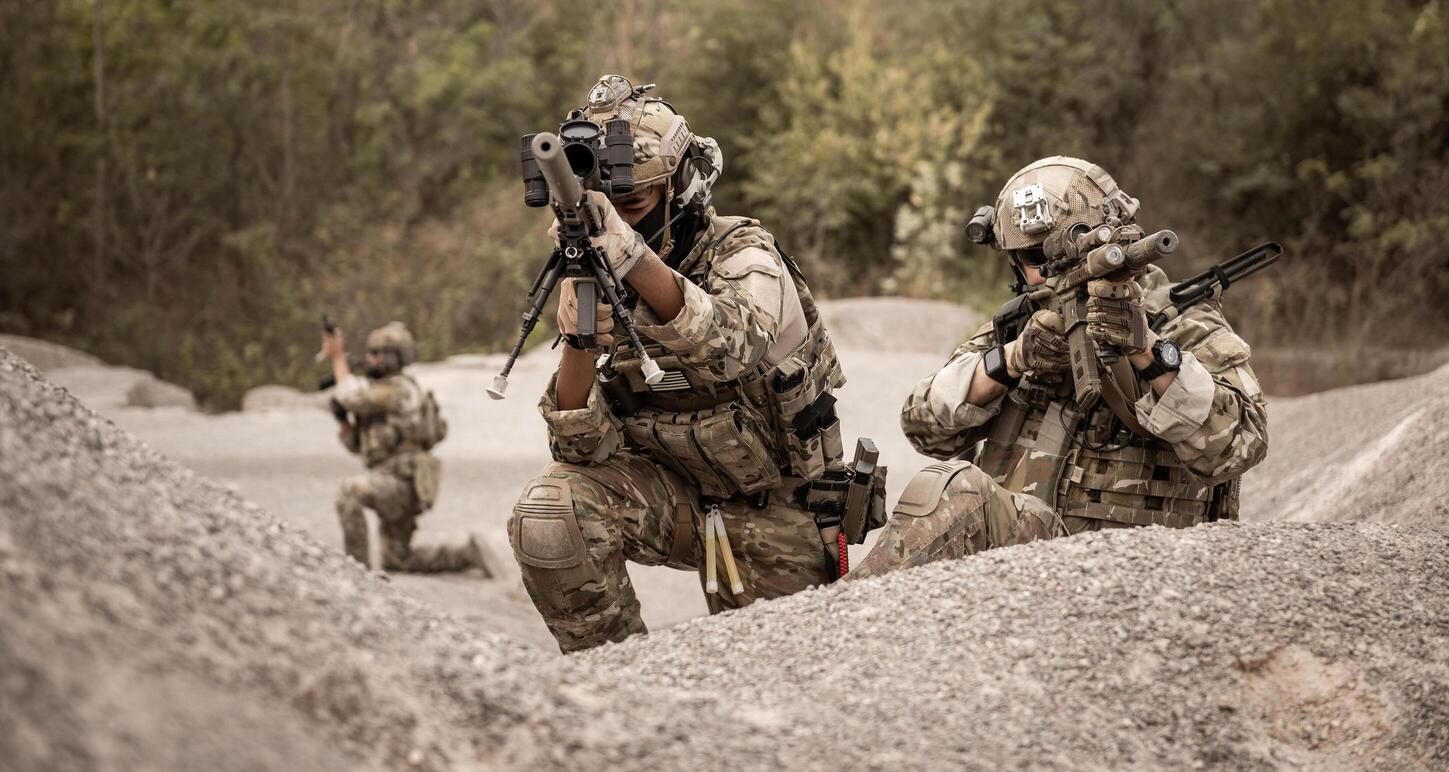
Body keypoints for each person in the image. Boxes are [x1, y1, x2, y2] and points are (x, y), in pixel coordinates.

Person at [507, 75, 880, 653]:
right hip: (677, 503)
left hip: (775, 512)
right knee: (551, 511)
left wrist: (632, 261)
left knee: (789, 680)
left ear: (681, 188)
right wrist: (580, 338)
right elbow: (582, 452)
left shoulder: (745, 252)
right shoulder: (597, 270)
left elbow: (735, 346)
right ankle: (614, 681)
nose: (622, 221)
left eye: (632, 202)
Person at [850, 156, 1269, 579]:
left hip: (1142, 571)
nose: (1049, 271)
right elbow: (923, 426)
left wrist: (1148, 352)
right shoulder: (1021, 326)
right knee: (949, 487)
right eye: (1034, 257)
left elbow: (1240, 447)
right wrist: (1013, 360)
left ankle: (846, 616)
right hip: (1020, 569)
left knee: (961, 491)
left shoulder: (1183, 322)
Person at [322, 321, 493, 576]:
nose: (369, 358)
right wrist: (341, 421)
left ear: (392, 357)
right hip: (393, 480)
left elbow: (350, 397)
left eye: (376, 353)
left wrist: (337, 358)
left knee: (348, 492)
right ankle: (465, 554)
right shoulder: (383, 394)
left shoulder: (399, 389)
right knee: (397, 560)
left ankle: (356, 572)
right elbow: (358, 446)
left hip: (402, 483)